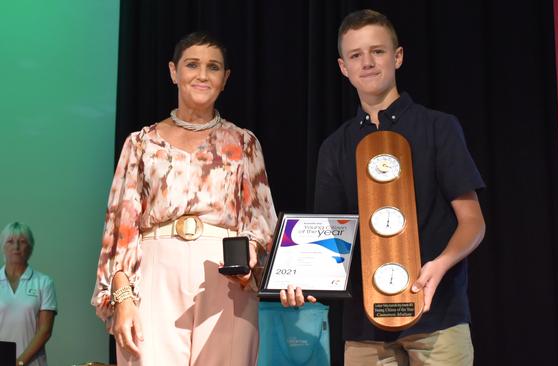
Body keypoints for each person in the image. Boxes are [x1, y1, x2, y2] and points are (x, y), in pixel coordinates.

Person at [282, 9, 486, 365]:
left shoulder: (439, 128)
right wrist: (302, 280)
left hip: (438, 318)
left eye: (377, 51)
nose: (367, 63)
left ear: (398, 56)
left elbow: (473, 222)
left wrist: (440, 265)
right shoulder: (335, 146)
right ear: (343, 68)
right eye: (355, 55)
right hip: (364, 332)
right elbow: (331, 238)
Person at [91, 32, 277, 366]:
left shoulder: (244, 143)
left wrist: (249, 257)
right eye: (192, 65)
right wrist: (123, 299)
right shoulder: (141, 143)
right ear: (174, 72)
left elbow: (262, 224)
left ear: (225, 79)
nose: (203, 75)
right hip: (154, 274)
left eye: (213, 67)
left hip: (226, 279)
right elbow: (120, 233)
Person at [0, 222, 57, 366]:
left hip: (32, 362)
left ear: (30, 247)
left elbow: (45, 330)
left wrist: (19, 362)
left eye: (22, 242)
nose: (16, 247)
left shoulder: (44, 282)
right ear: (3, 246)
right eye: (10, 241)